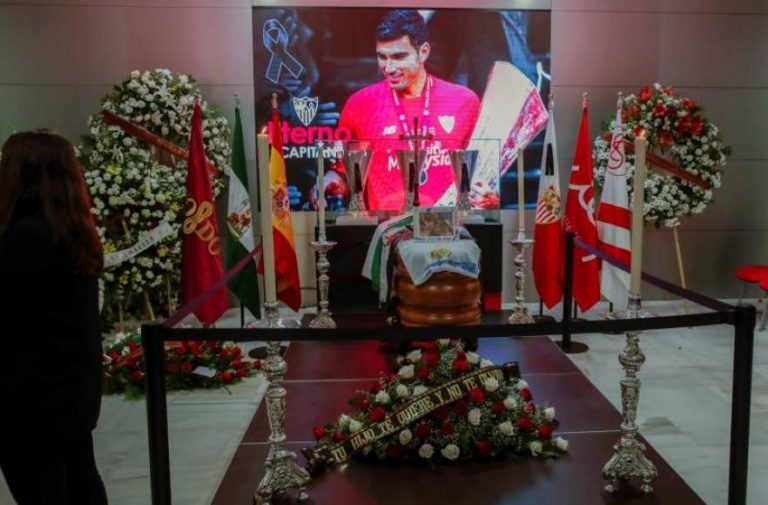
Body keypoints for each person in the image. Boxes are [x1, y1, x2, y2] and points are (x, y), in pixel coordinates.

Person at [0, 130, 108, 504]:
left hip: (27, 403)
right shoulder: (74, 236)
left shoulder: (19, 241)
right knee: (82, 483)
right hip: (72, 395)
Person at [338, 9, 481, 211]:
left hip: (449, 229)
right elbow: (344, 175)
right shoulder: (359, 104)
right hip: (385, 231)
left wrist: (487, 196)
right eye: (382, 57)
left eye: (398, 57)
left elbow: (481, 175)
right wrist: (329, 182)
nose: (388, 67)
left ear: (423, 52)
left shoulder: (464, 101)